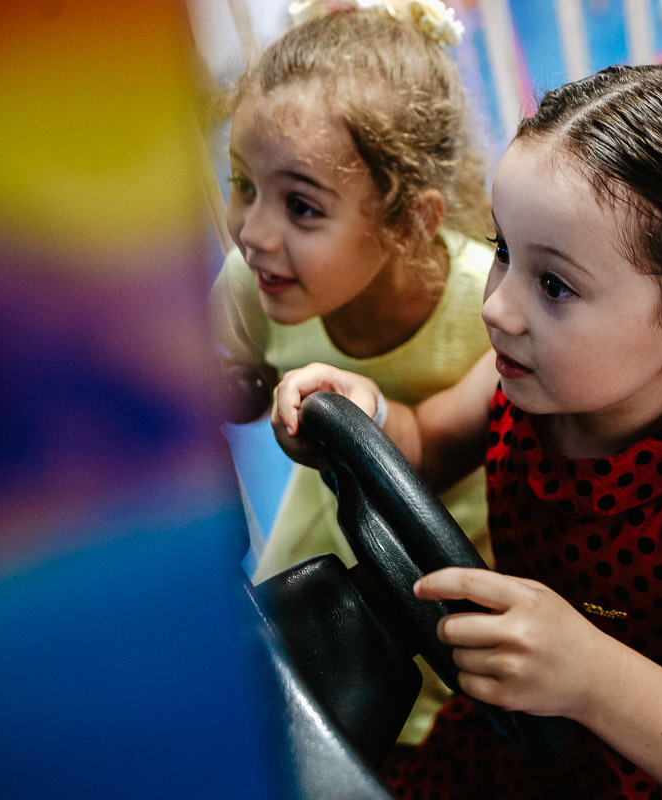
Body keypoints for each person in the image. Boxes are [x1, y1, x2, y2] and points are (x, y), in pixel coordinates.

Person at [272, 64, 662, 799]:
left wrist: (594, 678)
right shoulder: (523, 381)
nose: (497, 307)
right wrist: (364, 414)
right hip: (506, 739)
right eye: (504, 250)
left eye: (555, 285)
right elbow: (422, 448)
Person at [209, 0, 496, 748]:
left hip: (456, 554)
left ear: (409, 221)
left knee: (439, 736)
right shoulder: (252, 285)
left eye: (301, 207)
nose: (253, 233)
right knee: (298, 714)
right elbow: (241, 380)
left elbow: (440, 447)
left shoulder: (489, 303)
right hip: (324, 542)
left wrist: (363, 415)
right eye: (244, 185)